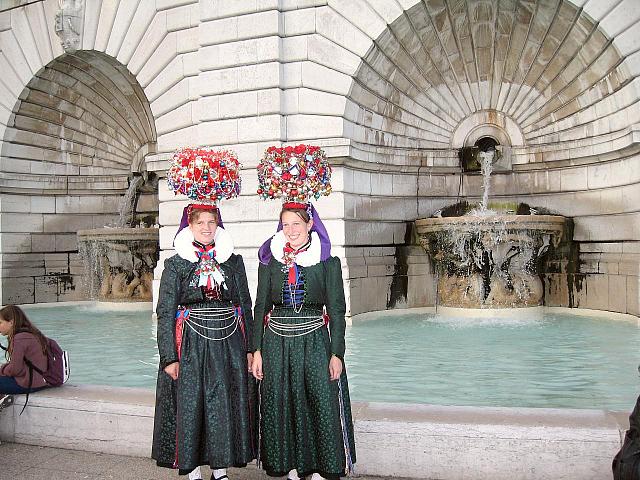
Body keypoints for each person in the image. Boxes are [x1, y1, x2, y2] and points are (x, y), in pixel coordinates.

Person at [251, 201, 356, 480]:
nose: (291, 230)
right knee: (283, 402)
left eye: (297, 223)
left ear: (310, 225)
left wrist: (337, 353)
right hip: (277, 342)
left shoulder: (327, 262)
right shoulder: (270, 262)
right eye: (285, 224)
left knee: (319, 400)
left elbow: (336, 310)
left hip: (314, 341)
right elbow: (260, 307)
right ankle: (293, 466)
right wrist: (257, 350)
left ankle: (323, 468)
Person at [151, 203, 256, 480]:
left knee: (222, 403)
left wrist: (249, 349)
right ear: (190, 226)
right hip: (190, 345)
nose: (207, 228)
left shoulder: (233, 261)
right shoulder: (176, 264)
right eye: (201, 223)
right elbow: (165, 310)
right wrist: (169, 357)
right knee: (192, 403)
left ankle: (219, 470)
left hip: (228, 342)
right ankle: (193, 469)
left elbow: (245, 304)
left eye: (212, 222)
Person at [0, 305, 51, 396]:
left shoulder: (19, 338)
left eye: (0, 323)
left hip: (28, 384)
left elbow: (15, 370)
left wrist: (3, 369)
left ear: (11, 322)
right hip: (39, 381)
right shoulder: (31, 334)